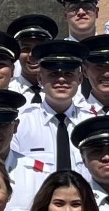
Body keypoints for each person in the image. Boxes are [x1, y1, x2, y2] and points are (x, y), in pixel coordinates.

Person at [16, 40, 89, 173]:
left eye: (68, 74)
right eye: (53, 74)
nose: (61, 79)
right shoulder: (21, 124)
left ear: (80, 79)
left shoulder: (91, 124)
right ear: (39, 78)